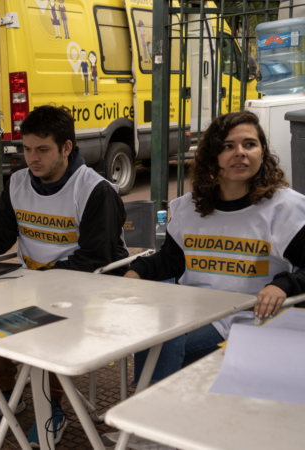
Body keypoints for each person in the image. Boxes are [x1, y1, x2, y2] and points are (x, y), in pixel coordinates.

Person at [0, 105, 129, 447]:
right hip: (32, 285)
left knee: (43, 318)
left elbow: (95, 259)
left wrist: (37, 285)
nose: (31, 159)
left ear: (67, 148)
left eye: (42, 150)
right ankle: (6, 392)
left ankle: (52, 406)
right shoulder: (19, 182)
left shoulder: (96, 190)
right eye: (26, 149)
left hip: (90, 291)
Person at [126, 111, 305, 382]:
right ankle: (152, 411)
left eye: (249, 144)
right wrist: (135, 271)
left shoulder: (285, 209)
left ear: (262, 152)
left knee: (161, 341)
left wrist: (283, 285)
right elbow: (172, 260)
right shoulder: (190, 207)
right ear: (212, 155)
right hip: (193, 313)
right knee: (154, 332)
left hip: (251, 319)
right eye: (227, 146)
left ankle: (145, 414)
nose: (240, 153)